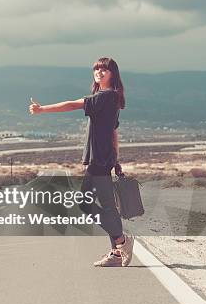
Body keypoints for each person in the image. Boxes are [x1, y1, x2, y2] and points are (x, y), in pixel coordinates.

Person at [28, 57, 134, 267]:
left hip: (100, 160)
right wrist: (116, 159)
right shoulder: (109, 98)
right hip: (102, 159)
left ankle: (122, 241)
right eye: (96, 69)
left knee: (86, 204)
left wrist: (42, 110)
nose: (99, 72)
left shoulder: (105, 97)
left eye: (104, 69)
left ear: (113, 74)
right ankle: (117, 251)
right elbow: (114, 132)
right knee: (106, 207)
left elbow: (72, 104)